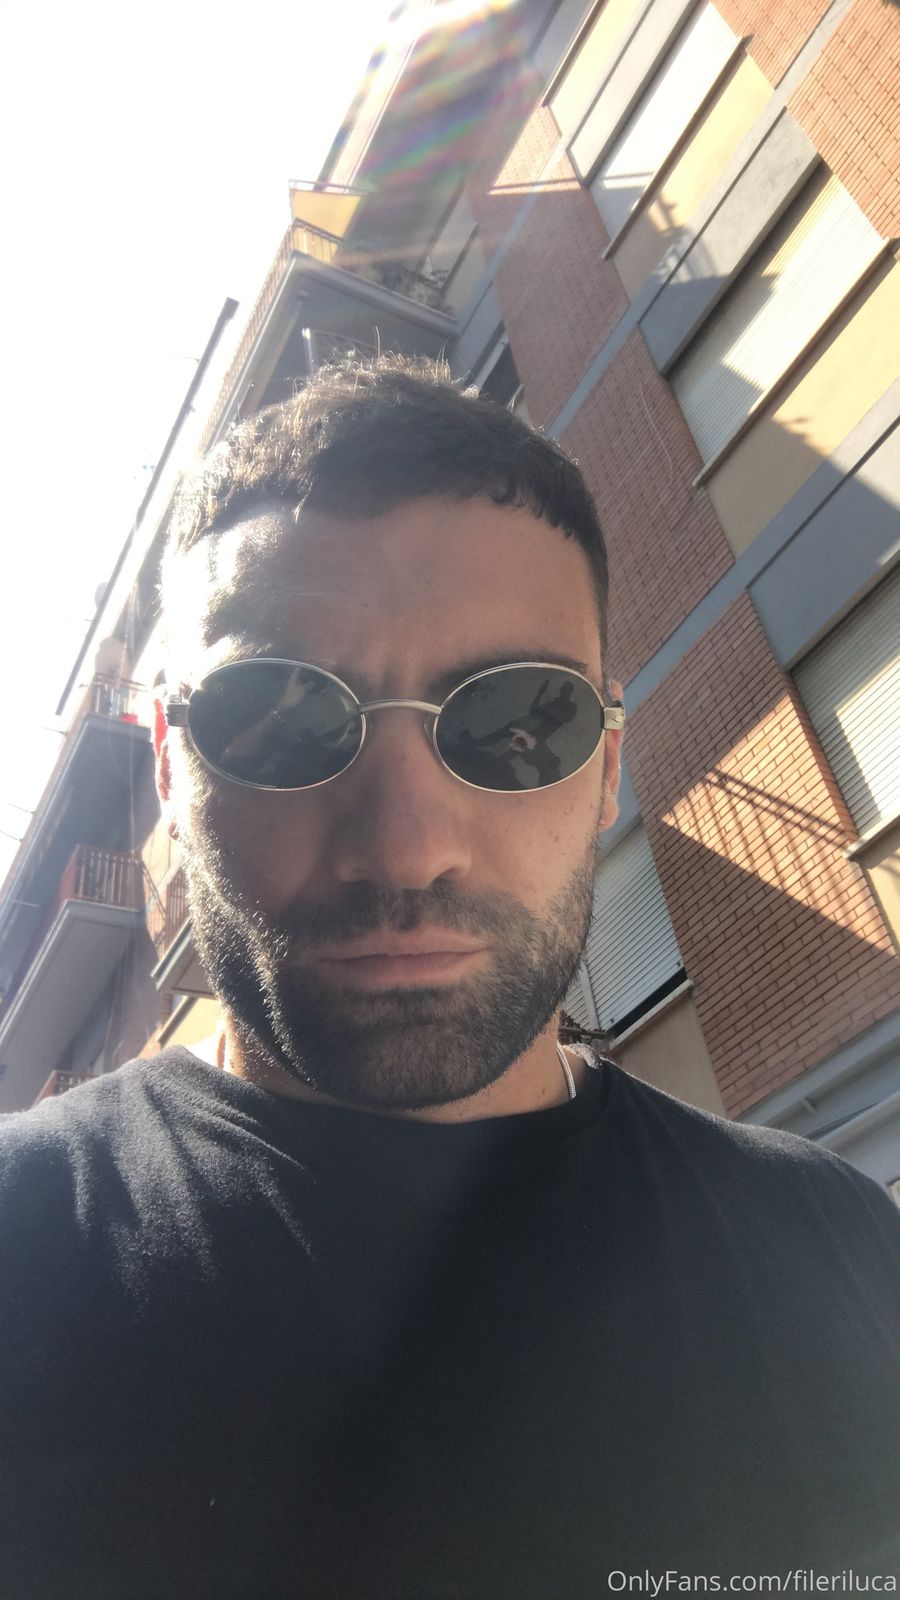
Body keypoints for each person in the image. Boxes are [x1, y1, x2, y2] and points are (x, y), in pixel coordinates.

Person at [1, 358, 898, 1599]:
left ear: (609, 768)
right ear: (168, 764)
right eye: (279, 719)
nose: (407, 844)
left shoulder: (844, 1254)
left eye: (517, 720)